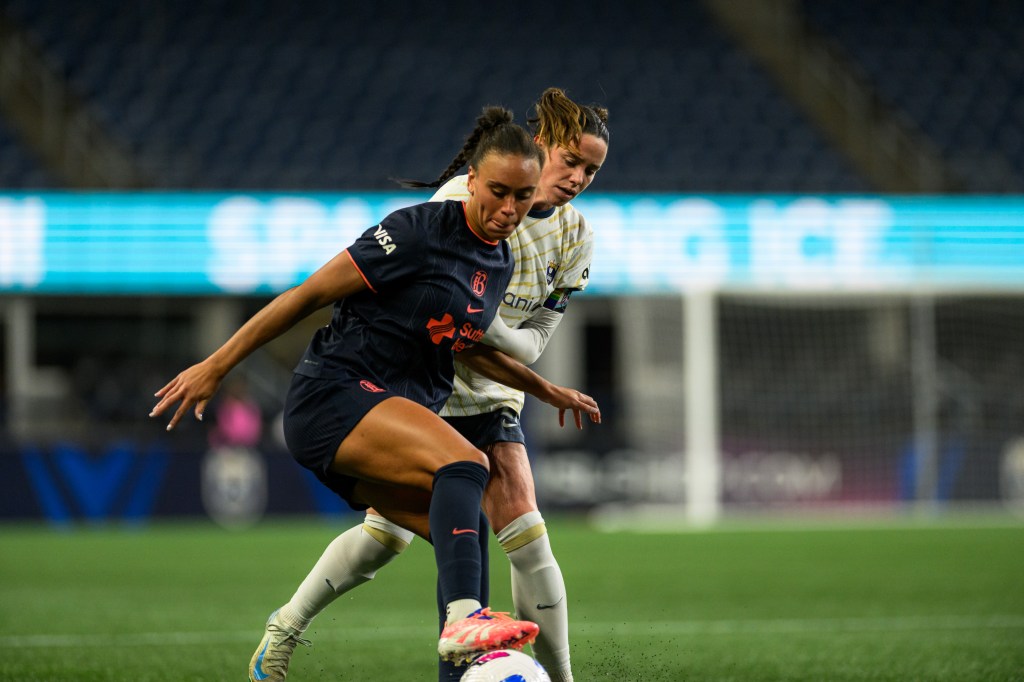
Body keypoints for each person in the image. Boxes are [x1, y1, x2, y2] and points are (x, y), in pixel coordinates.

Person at [147, 106, 601, 681]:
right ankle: (466, 619)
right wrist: (216, 365)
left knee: (459, 535)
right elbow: (306, 295)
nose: (509, 209)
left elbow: (465, 344)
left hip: (390, 408)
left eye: (521, 196)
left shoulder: (498, 256)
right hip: (335, 395)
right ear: (471, 180)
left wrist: (547, 390)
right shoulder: (416, 231)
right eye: (498, 192)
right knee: (466, 465)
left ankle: (401, 652)